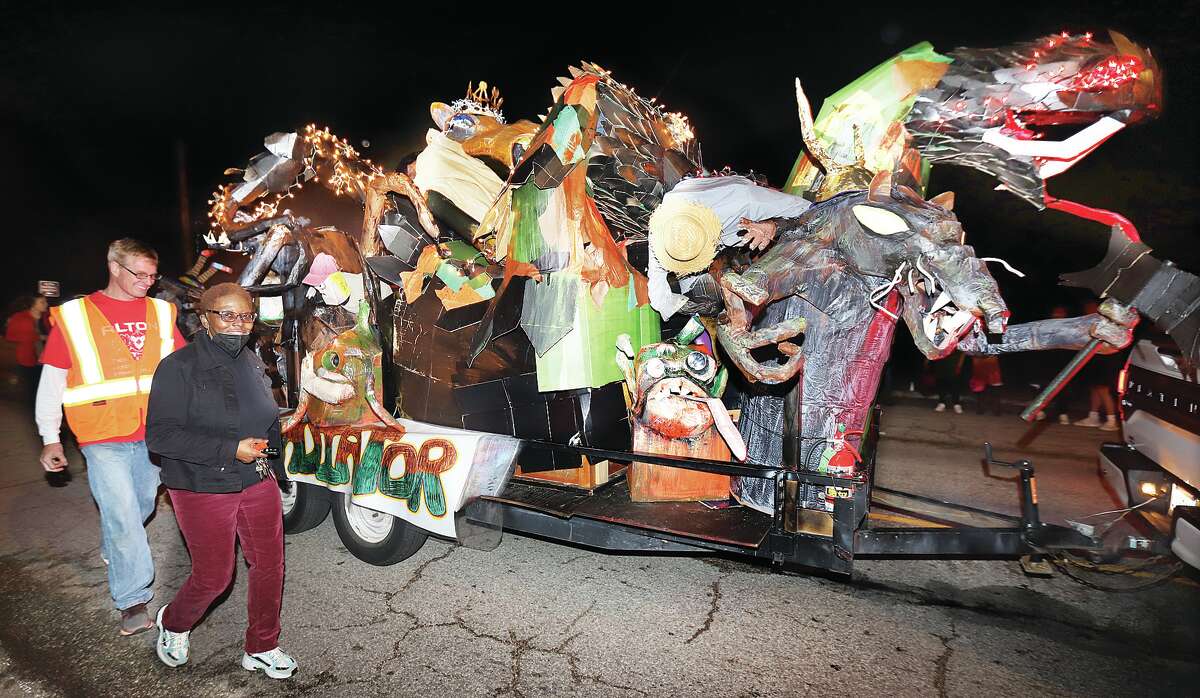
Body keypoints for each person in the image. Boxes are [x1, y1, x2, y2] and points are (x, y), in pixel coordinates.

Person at [146, 282, 296, 679]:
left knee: (270, 564)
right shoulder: (177, 367)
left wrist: (278, 470)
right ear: (205, 319)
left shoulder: (250, 360)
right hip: (200, 483)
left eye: (246, 316)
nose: (239, 324)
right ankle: (174, 623)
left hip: (256, 476)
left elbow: (266, 416)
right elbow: (160, 436)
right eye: (227, 315)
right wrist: (231, 448)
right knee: (215, 576)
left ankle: (262, 646)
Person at [36, 239, 184, 635]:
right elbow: (52, 382)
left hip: (153, 434)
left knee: (140, 505)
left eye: (153, 275)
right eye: (140, 274)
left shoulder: (161, 311)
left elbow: (180, 369)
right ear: (114, 267)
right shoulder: (74, 317)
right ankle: (133, 598)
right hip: (102, 436)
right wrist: (50, 437)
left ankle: (115, 549)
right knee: (121, 515)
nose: (148, 283)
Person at [1074, 303, 1123, 431]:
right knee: (1095, 388)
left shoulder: (1108, 323)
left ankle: (1112, 420)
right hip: (1096, 358)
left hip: (1107, 359)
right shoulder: (1094, 321)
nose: (1088, 310)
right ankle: (1093, 417)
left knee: (1103, 389)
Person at [5, 294, 48, 405]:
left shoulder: (47, 317)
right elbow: (10, 336)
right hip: (29, 359)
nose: (46, 304)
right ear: (33, 305)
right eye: (42, 302)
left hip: (48, 359)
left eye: (45, 301)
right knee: (33, 388)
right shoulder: (20, 318)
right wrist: (40, 337)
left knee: (45, 388)